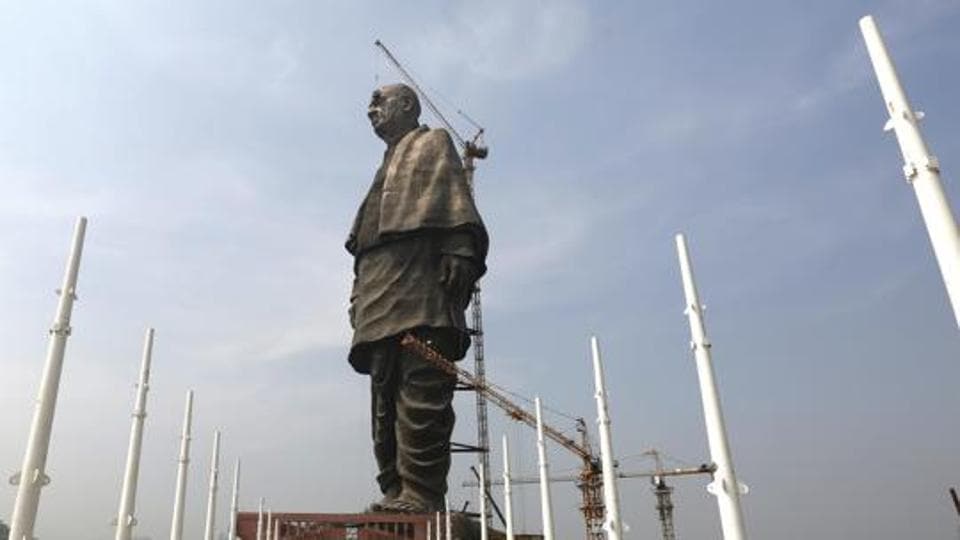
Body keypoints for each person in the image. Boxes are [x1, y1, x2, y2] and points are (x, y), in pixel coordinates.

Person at [345, 83, 488, 514]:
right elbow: (363, 241)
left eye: (378, 100)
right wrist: (356, 292)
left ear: (406, 104)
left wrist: (459, 247)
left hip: (421, 283)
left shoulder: (433, 142)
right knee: (383, 401)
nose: (370, 109)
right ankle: (394, 488)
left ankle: (422, 494)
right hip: (378, 288)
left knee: (421, 393)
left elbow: (455, 201)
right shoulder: (384, 165)